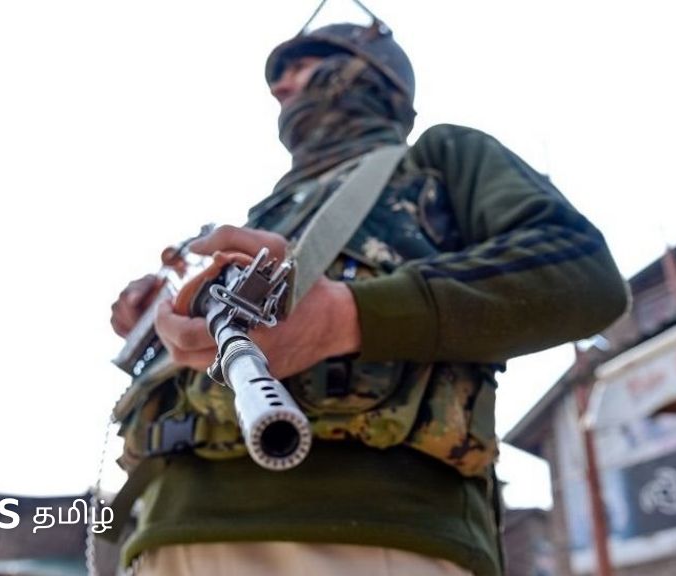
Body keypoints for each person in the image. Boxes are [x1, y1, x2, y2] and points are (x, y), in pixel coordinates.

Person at [108, 19, 628, 576]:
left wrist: (344, 317)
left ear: (367, 72)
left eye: (301, 67)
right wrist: (161, 316)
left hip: (376, 532)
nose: (281, 88)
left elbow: (584, 274)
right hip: (165, 531)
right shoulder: (270, 210)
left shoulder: (437, 159)